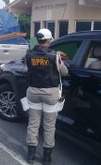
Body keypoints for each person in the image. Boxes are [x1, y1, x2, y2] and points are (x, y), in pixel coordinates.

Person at [25, 28, 68, 165]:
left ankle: (31, 155)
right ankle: (47, 158)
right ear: (49, 40)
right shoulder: (54, 55)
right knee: (49, 127)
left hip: (33, 92)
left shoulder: (29, 54)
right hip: (50, 94)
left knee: (33, 124)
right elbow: (65, 72)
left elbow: (28, 69)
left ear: (38, 40)